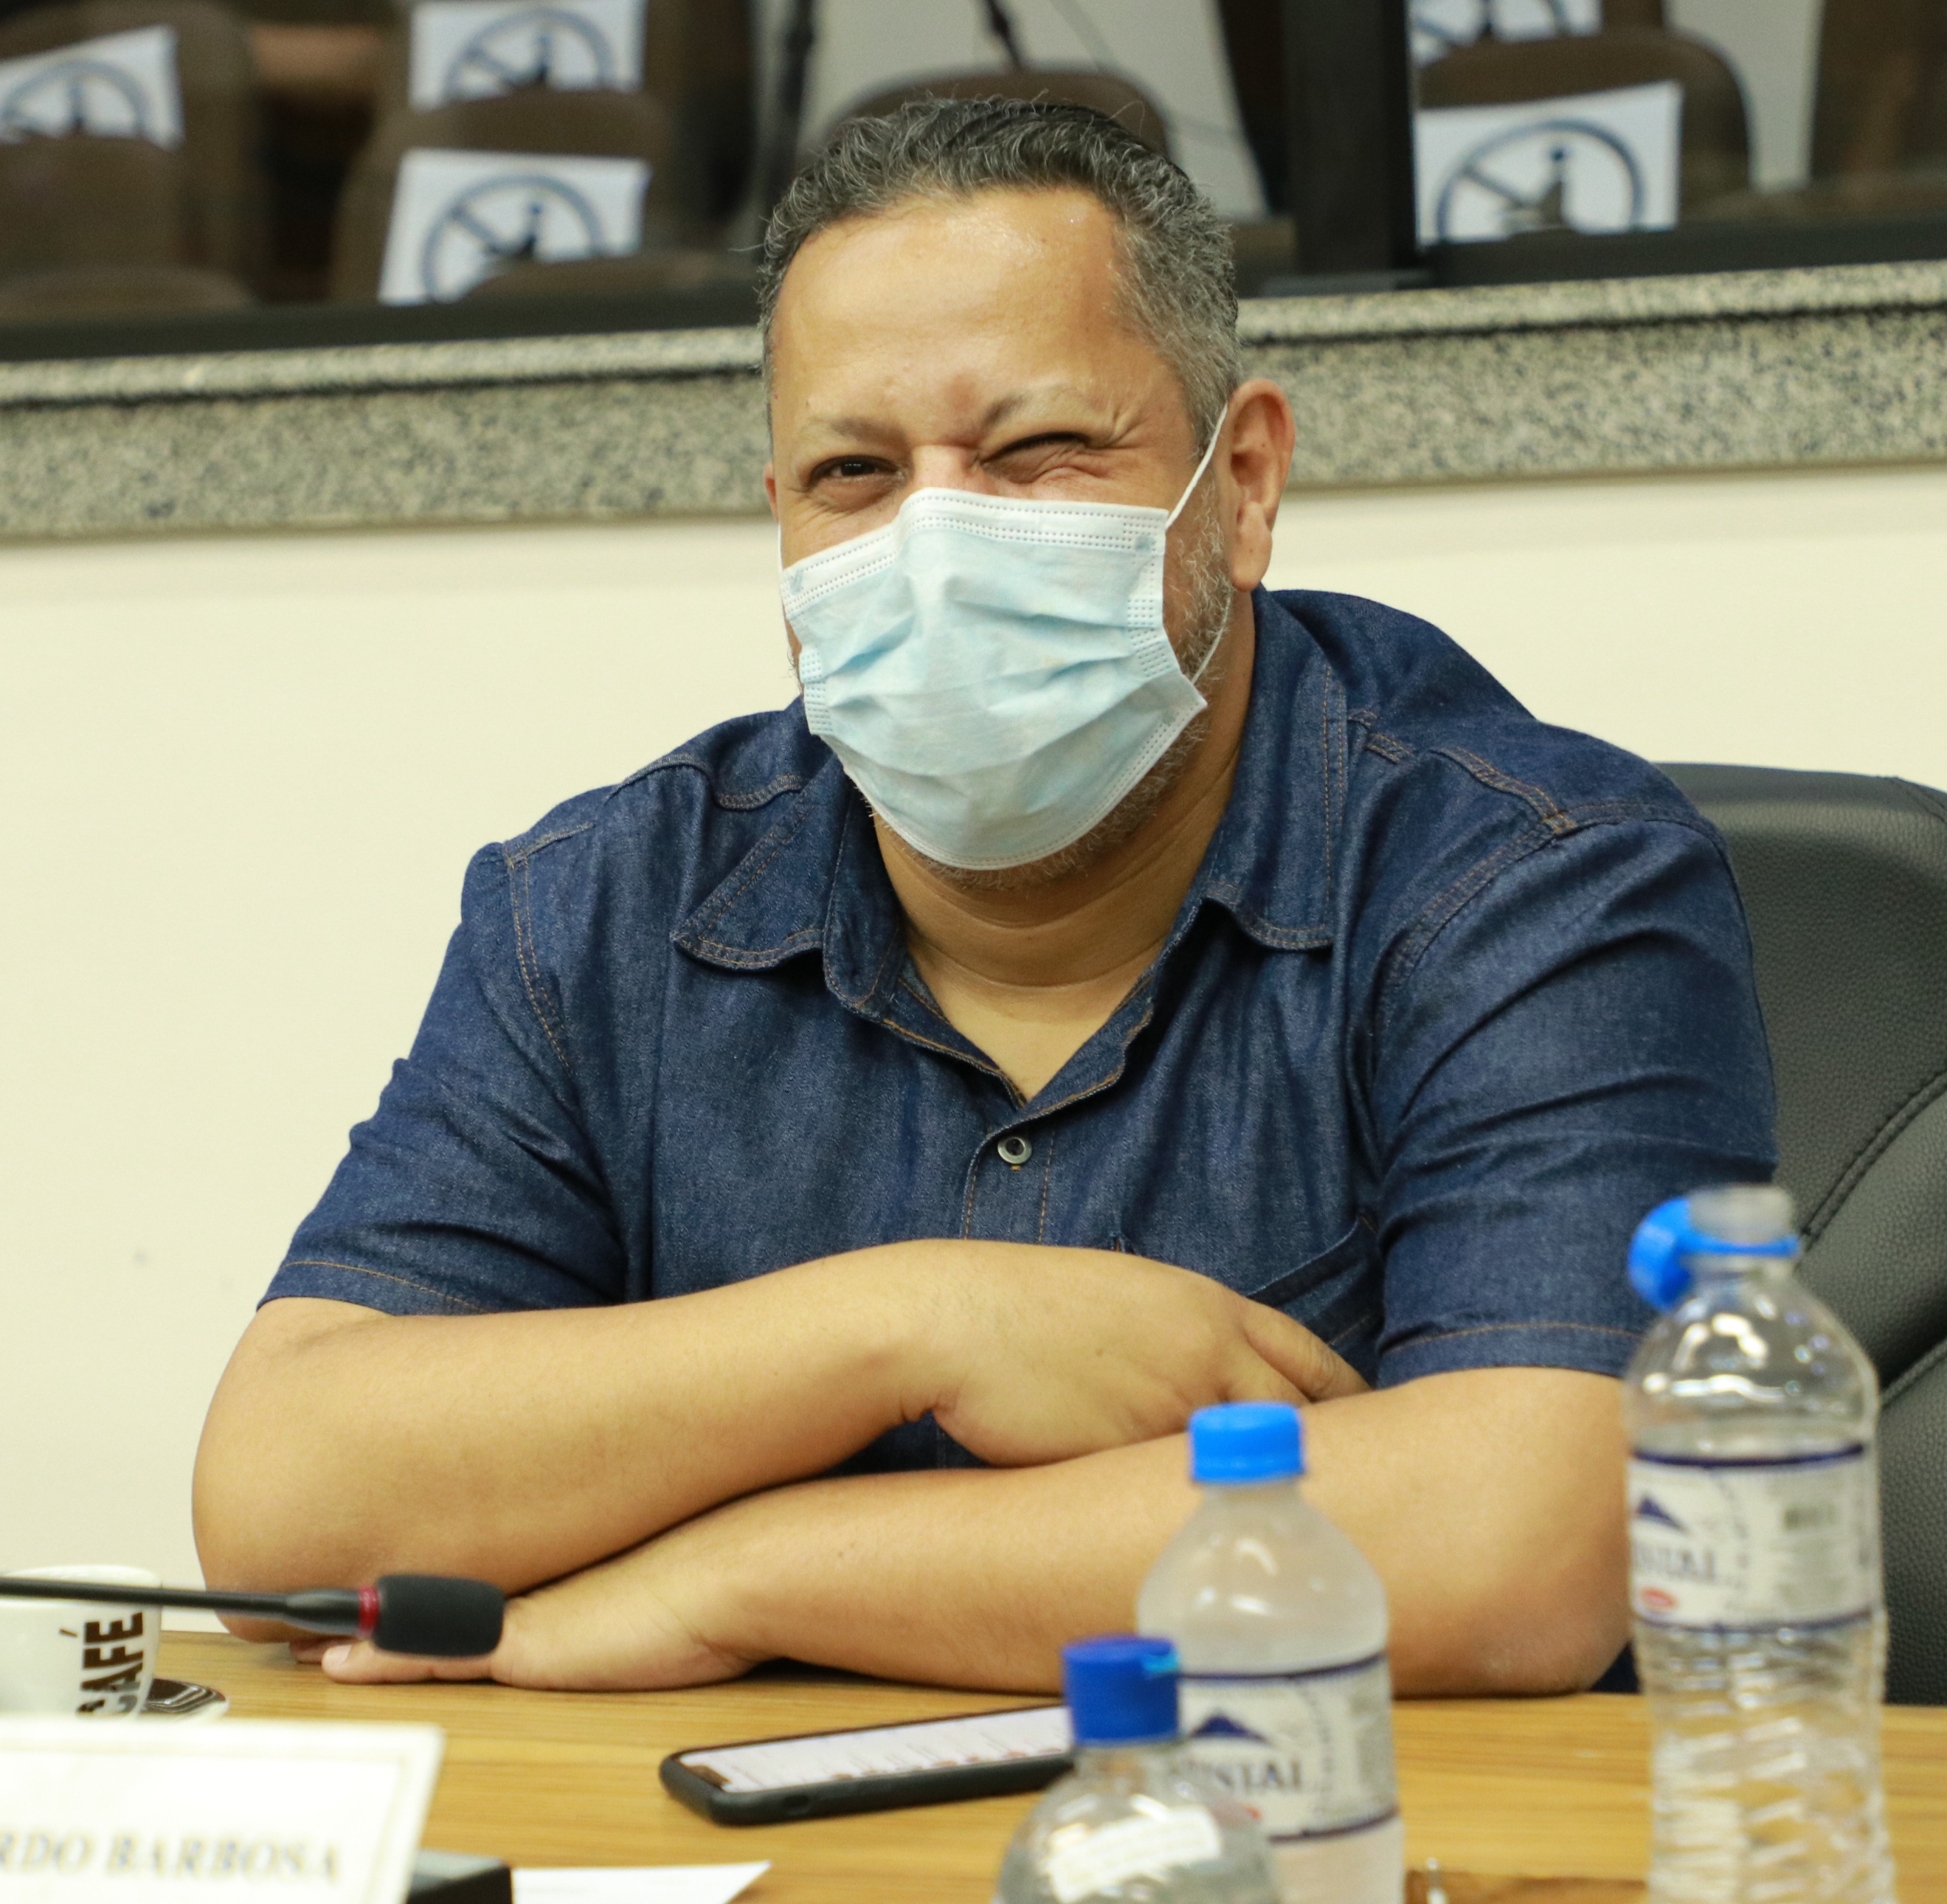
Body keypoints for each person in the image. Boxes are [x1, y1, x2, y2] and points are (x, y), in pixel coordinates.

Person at [193, 98, 1774, 1694]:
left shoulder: (1533, 875)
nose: (934, 542)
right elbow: (284, 1507)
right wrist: (918, 1322)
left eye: (1034, 452)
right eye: (855, 473)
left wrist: (743, 1573)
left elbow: (1520, 1549)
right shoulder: (602, 907)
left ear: (1240, 484)